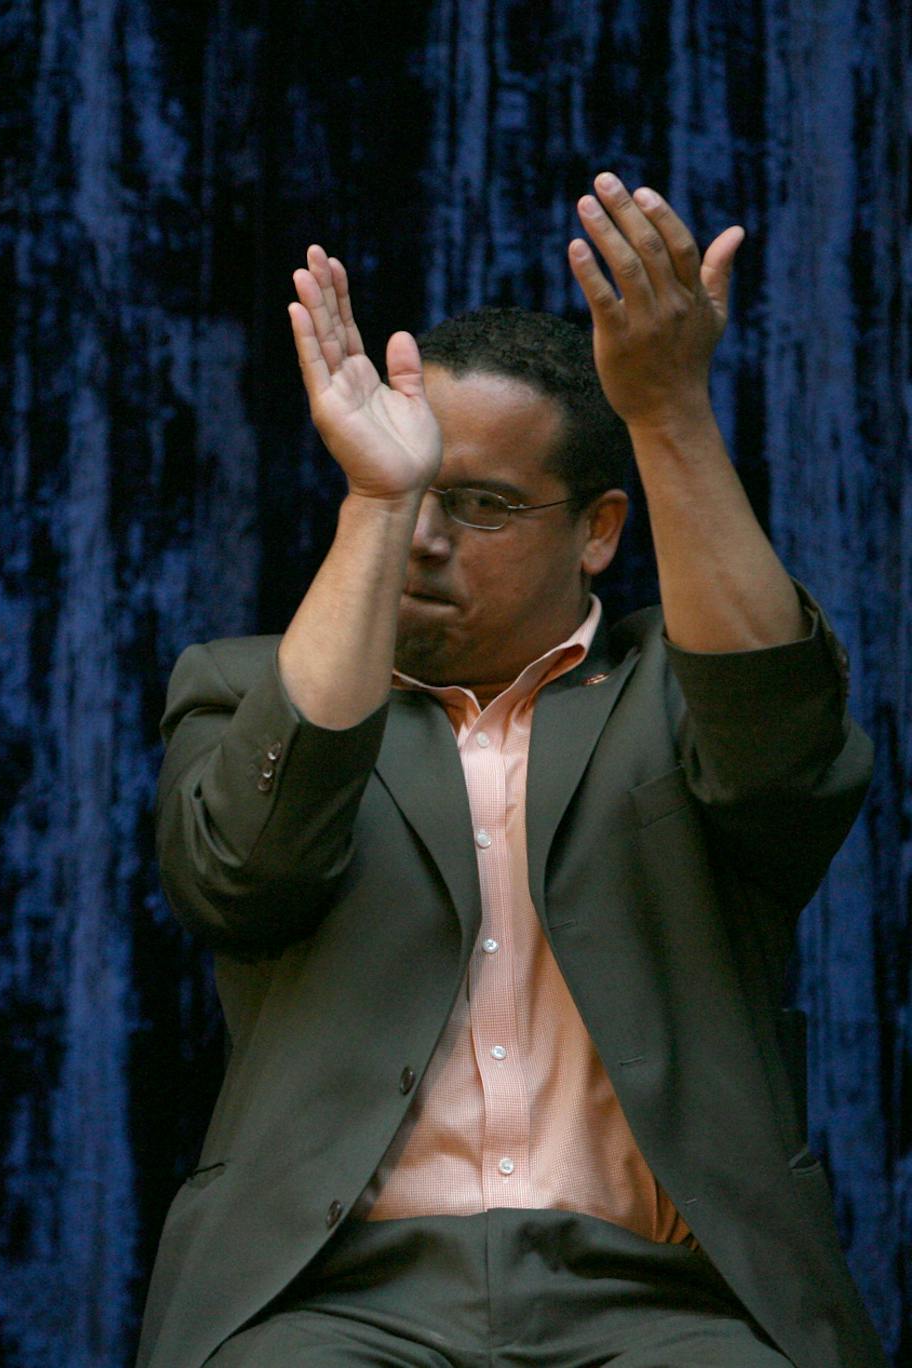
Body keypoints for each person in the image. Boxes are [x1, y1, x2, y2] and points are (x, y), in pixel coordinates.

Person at [137, 175, 884, 1367]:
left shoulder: (674, 684)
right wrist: (377, 504)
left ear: (596, 530)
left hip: (670, 1303)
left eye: (477, 504)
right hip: (336, 1300)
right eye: (413, 493)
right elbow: (241, 879)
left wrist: (670, 412)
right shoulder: (250, 684)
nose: (429, 537)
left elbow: (781, 761)